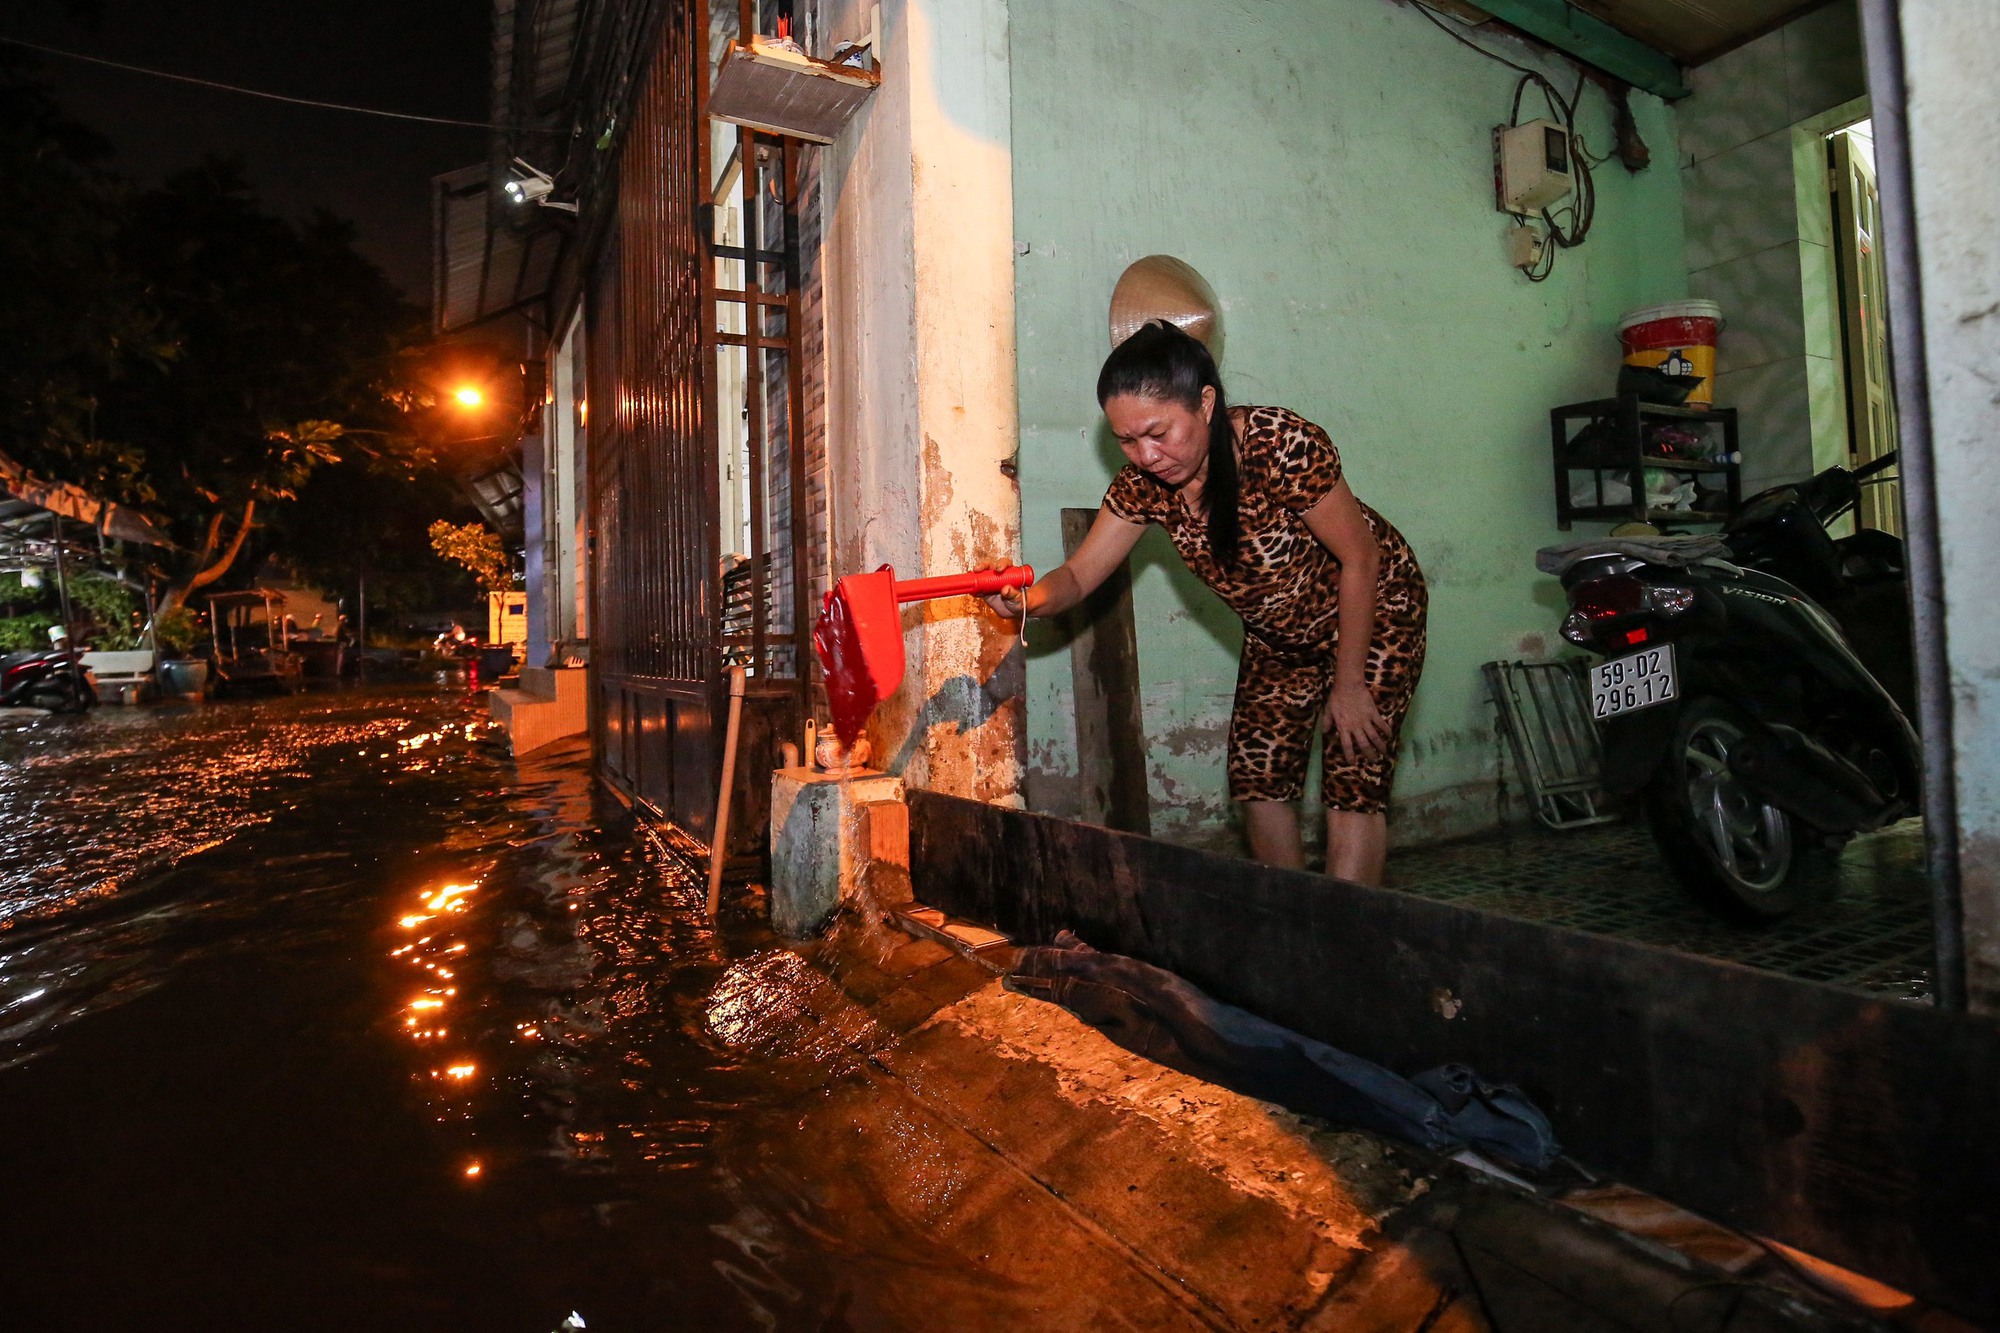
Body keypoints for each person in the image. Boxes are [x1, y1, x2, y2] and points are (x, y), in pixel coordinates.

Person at [986, 321, 1427, 886]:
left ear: (1206, 403)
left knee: (1354, 771)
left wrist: (1349, 686)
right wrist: (1029, 599)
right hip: (1280, 635)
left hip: (1376, 606)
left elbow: (1359, 559)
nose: (1146, 455)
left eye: (1158, 432)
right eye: (1126, 440)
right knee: (1257, 776)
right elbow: (1077, 575)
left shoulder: (1280, 445)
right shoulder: (1143, 487)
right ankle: (1288, 920)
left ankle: (1344, 941)